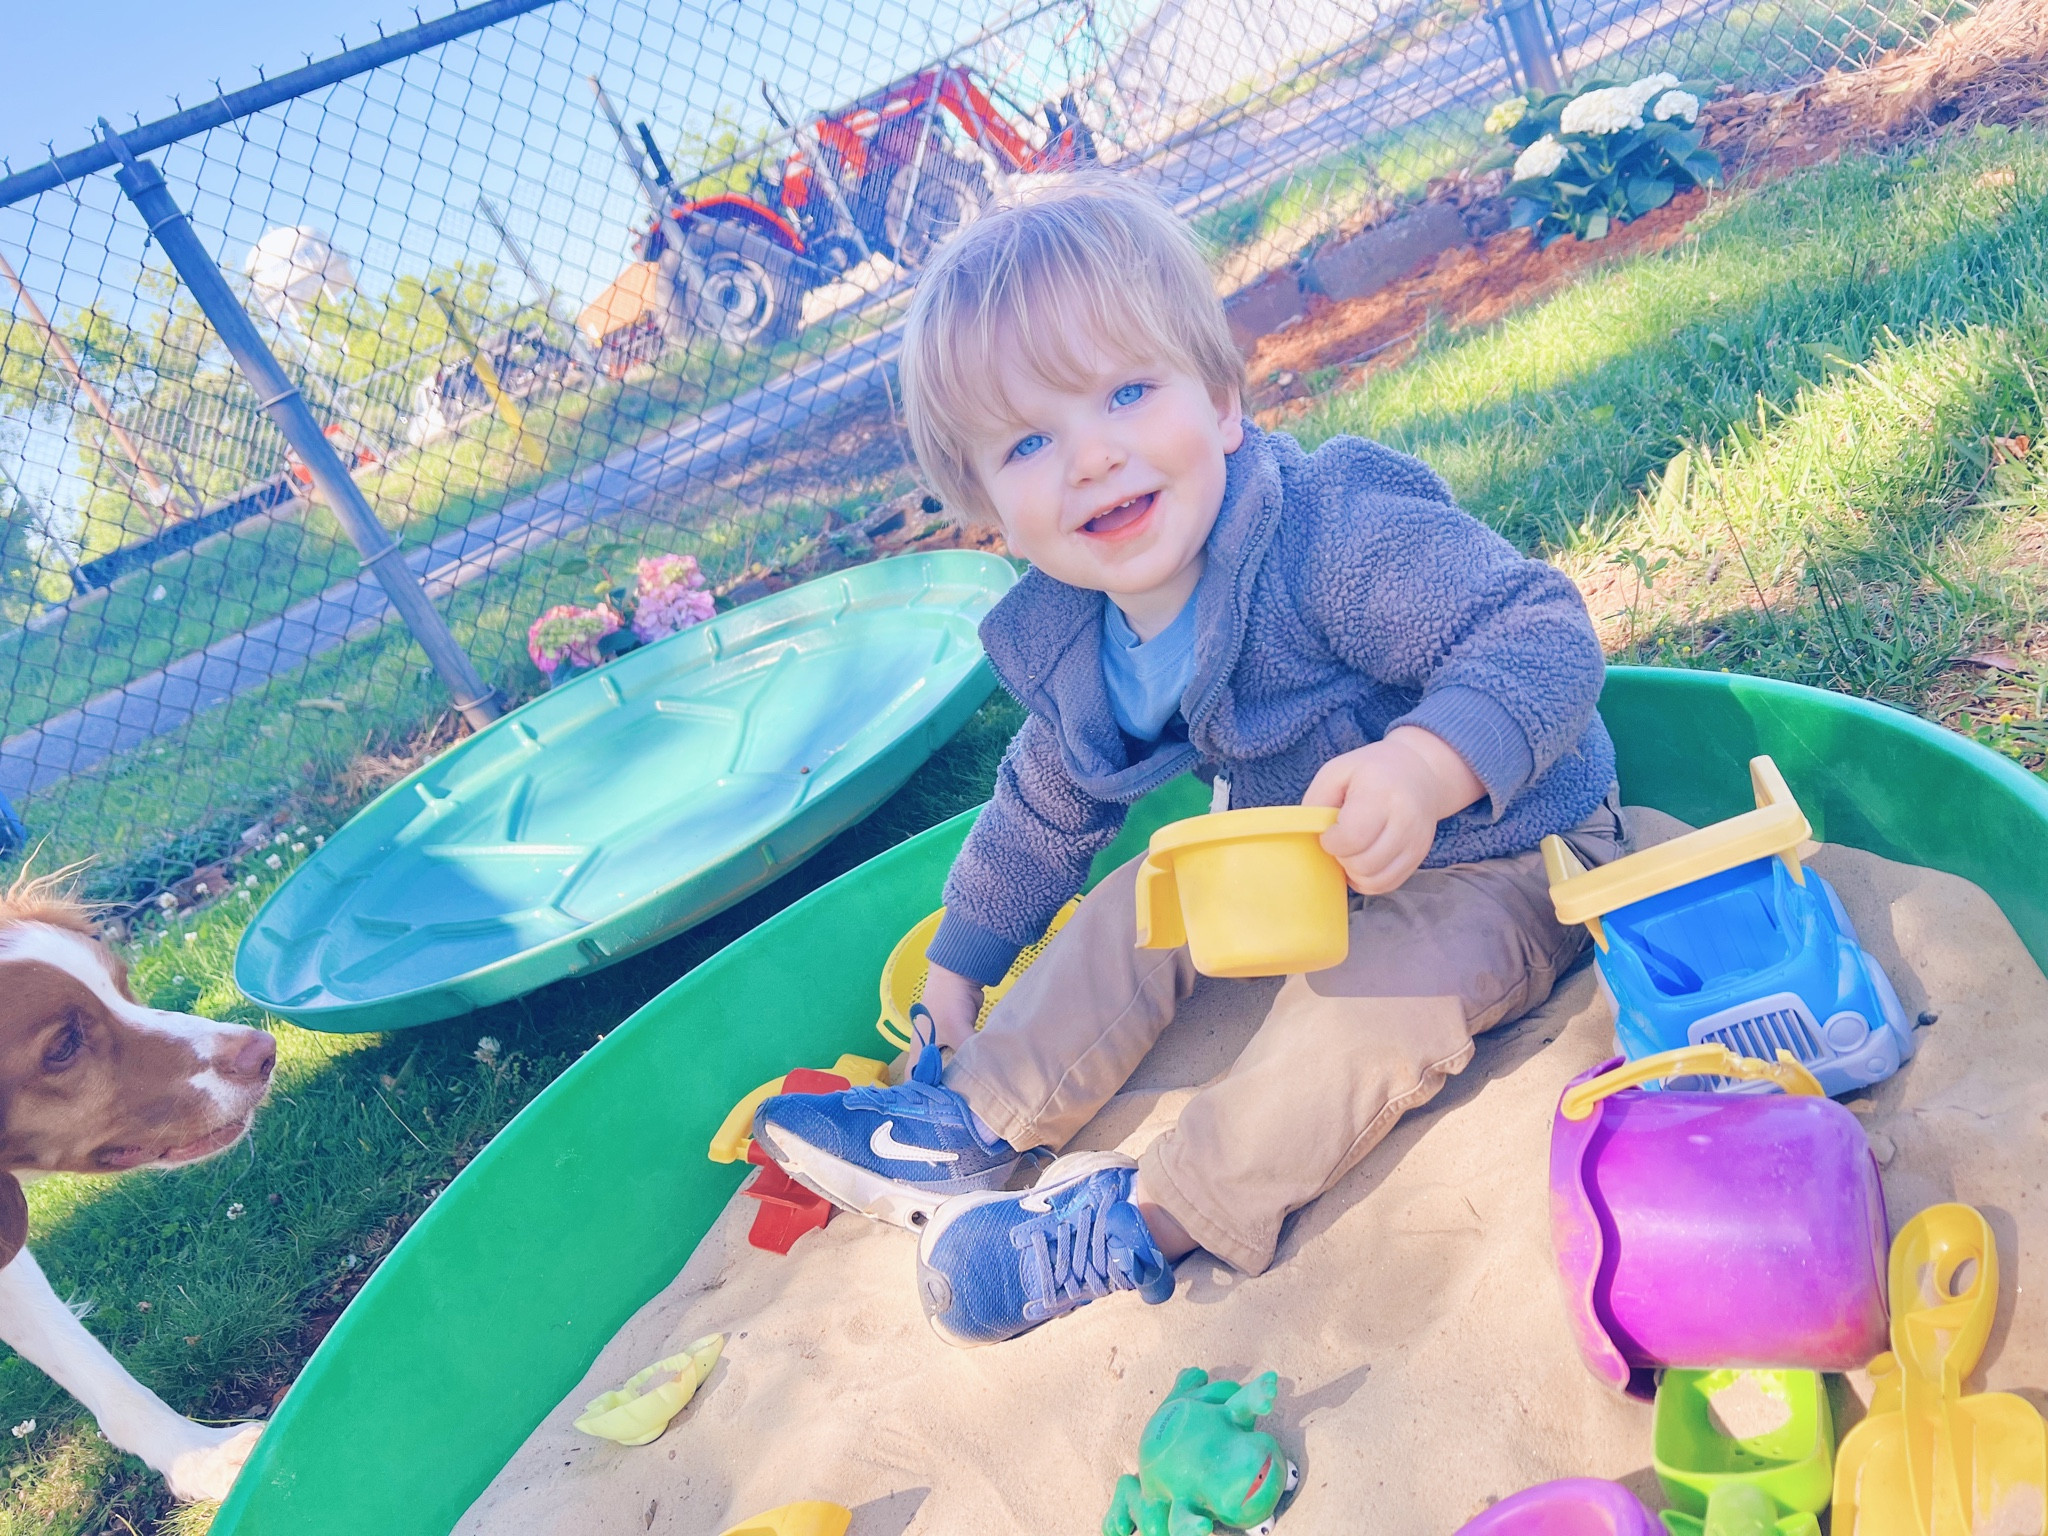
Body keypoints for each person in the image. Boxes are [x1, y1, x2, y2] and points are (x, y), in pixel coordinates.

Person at [753, 174, 1626, 1348]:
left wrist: (1425, 769)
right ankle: (963, 1119)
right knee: (1136, 901)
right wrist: (960, 965)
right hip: (1305, 875)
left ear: (1221, 400)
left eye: (1124, 392)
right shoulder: (1084, 630)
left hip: (1508, 850)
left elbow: (1538, 631)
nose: (1092, 457)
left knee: (1368, 1015)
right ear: (988, 517)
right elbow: (1039, 808)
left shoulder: (1328, 535)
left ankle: (1141, 1219)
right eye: (1028, 441)